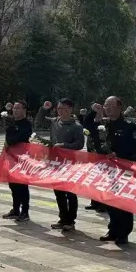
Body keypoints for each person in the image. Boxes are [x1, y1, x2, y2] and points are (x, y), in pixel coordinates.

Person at [35, 99, 86, 231]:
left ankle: (70, 220)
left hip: (70, 163)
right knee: (59, 192)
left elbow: (79, 144)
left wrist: (64, 146)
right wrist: (44, 108)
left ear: (70, 109)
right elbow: (39, 121)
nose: (60, 111)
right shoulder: (55, 121)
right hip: (55, 162)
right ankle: (62, 218)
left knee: (70, 193)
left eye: (63, 108)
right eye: (58, 109)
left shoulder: (77, 126)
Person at [98, 96, 136, 245]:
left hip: (124, 169)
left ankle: (123, 233)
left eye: (111, 105)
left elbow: (135, 146)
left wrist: (119, 154)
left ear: (119, 107)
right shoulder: (104, 125)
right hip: (108, 169)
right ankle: (113, 230)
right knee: (109, 199)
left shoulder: (129, 126)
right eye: (105, 106)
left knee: (123, 201)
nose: (107, 108)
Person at [1, 100, 33, 221]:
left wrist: (10, 140)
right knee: (13, 185)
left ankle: (25, 212)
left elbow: (18, 138)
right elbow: (8, 136)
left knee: (22, 185)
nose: (15, 110)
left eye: (18, 108)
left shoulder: (26, 124)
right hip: (11, 157)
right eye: (14, 108)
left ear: (24, 110)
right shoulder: (11, 122)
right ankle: (15, 209)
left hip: (23, 158)